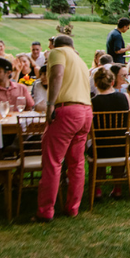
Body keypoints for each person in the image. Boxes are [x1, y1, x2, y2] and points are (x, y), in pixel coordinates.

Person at [28, 34, 93, 222]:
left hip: (67, 111)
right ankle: (73, 207)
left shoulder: (57, 52)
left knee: (52, 162)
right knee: (77, 163)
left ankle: (46, 211)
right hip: (85, 111)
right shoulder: (79, 59)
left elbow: (56, 75)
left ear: (55, 45)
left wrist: (49, 104)